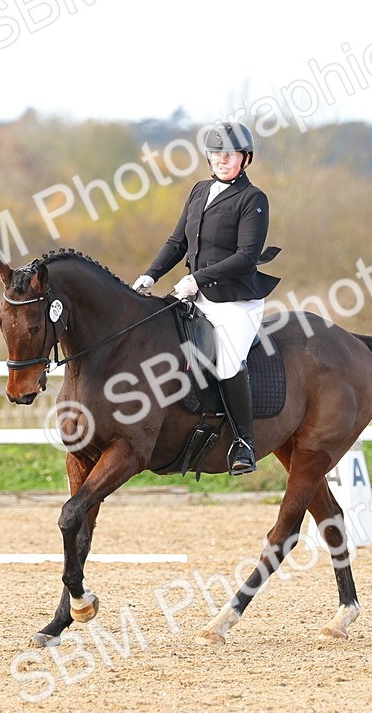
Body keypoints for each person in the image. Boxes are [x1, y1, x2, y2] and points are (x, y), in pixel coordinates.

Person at [132, 121, 280, 475]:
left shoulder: (253, 199)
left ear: (245, 159)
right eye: (216, 154)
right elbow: (177, 242)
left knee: (228, 362)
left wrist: (196, 279)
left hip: (234, 301)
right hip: (195, 294)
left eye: (230, 155)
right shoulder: (199, 190)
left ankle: (244, 444)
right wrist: (150, 274)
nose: (222, 160)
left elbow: (246, 256)